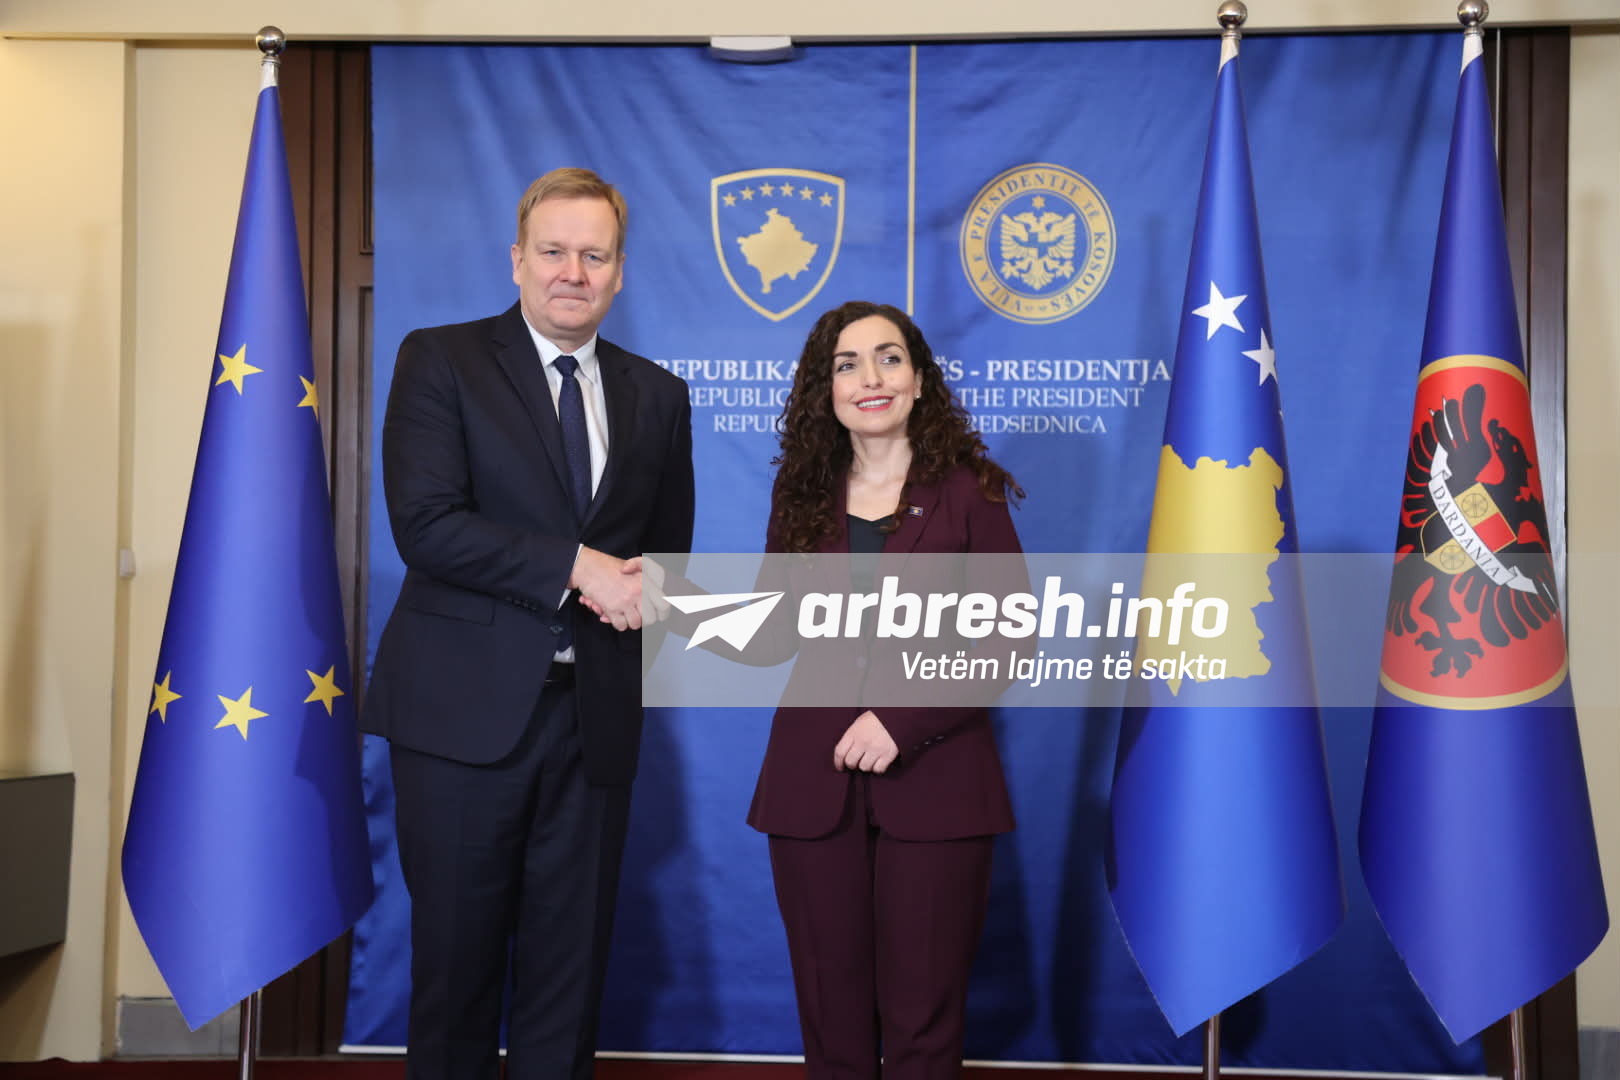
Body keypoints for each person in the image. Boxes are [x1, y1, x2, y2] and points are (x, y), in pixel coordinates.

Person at [363, 166, 695, 1080]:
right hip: (460, 722)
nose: (572, 273)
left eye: (595, 256)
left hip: (594, 722)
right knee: (457, 975)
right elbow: (427, 526)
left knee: (567, 981)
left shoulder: (658, 395)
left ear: (620, 271)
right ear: (517, 259)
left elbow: (667, 557)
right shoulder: (441, 360)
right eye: (553, 251)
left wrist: (655, 588)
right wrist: (577, 567)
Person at [748, 300, 1024, 1078]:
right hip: (812, 787)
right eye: (847, 364)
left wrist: (899, 722)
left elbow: (1006, 639)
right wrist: (674, 602)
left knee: (923, 1024)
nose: (870, 378)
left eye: (889, 358)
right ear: (825, 390)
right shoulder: (800, 492)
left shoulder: (970, 490)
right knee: (830, 1021)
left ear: (920, 379)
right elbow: (773, 633)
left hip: (938, 784)